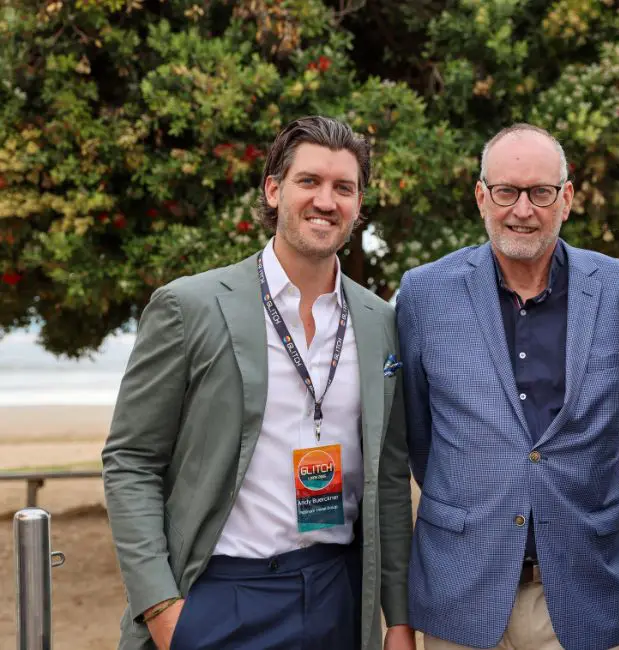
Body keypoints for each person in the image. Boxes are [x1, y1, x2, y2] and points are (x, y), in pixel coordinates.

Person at [102, 116, 414, 650]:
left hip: (336, 593)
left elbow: (387, 481)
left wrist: (399, 620)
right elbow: (130, 460)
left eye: (344, 188)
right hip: (220, 596)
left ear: (360, 204)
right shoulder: (189, 307)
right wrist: (160, 606)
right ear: (273, 190)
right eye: (308, 181)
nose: (326, 200)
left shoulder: (379, 320)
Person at [395, 123, 619, 650]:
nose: (523, 209)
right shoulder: (424, 294)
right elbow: (420, 443)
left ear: (566, 198)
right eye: (506, 192)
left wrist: (579, 515)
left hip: (585, 595)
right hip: (461, 596)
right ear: (481, 197)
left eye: (540, 192)